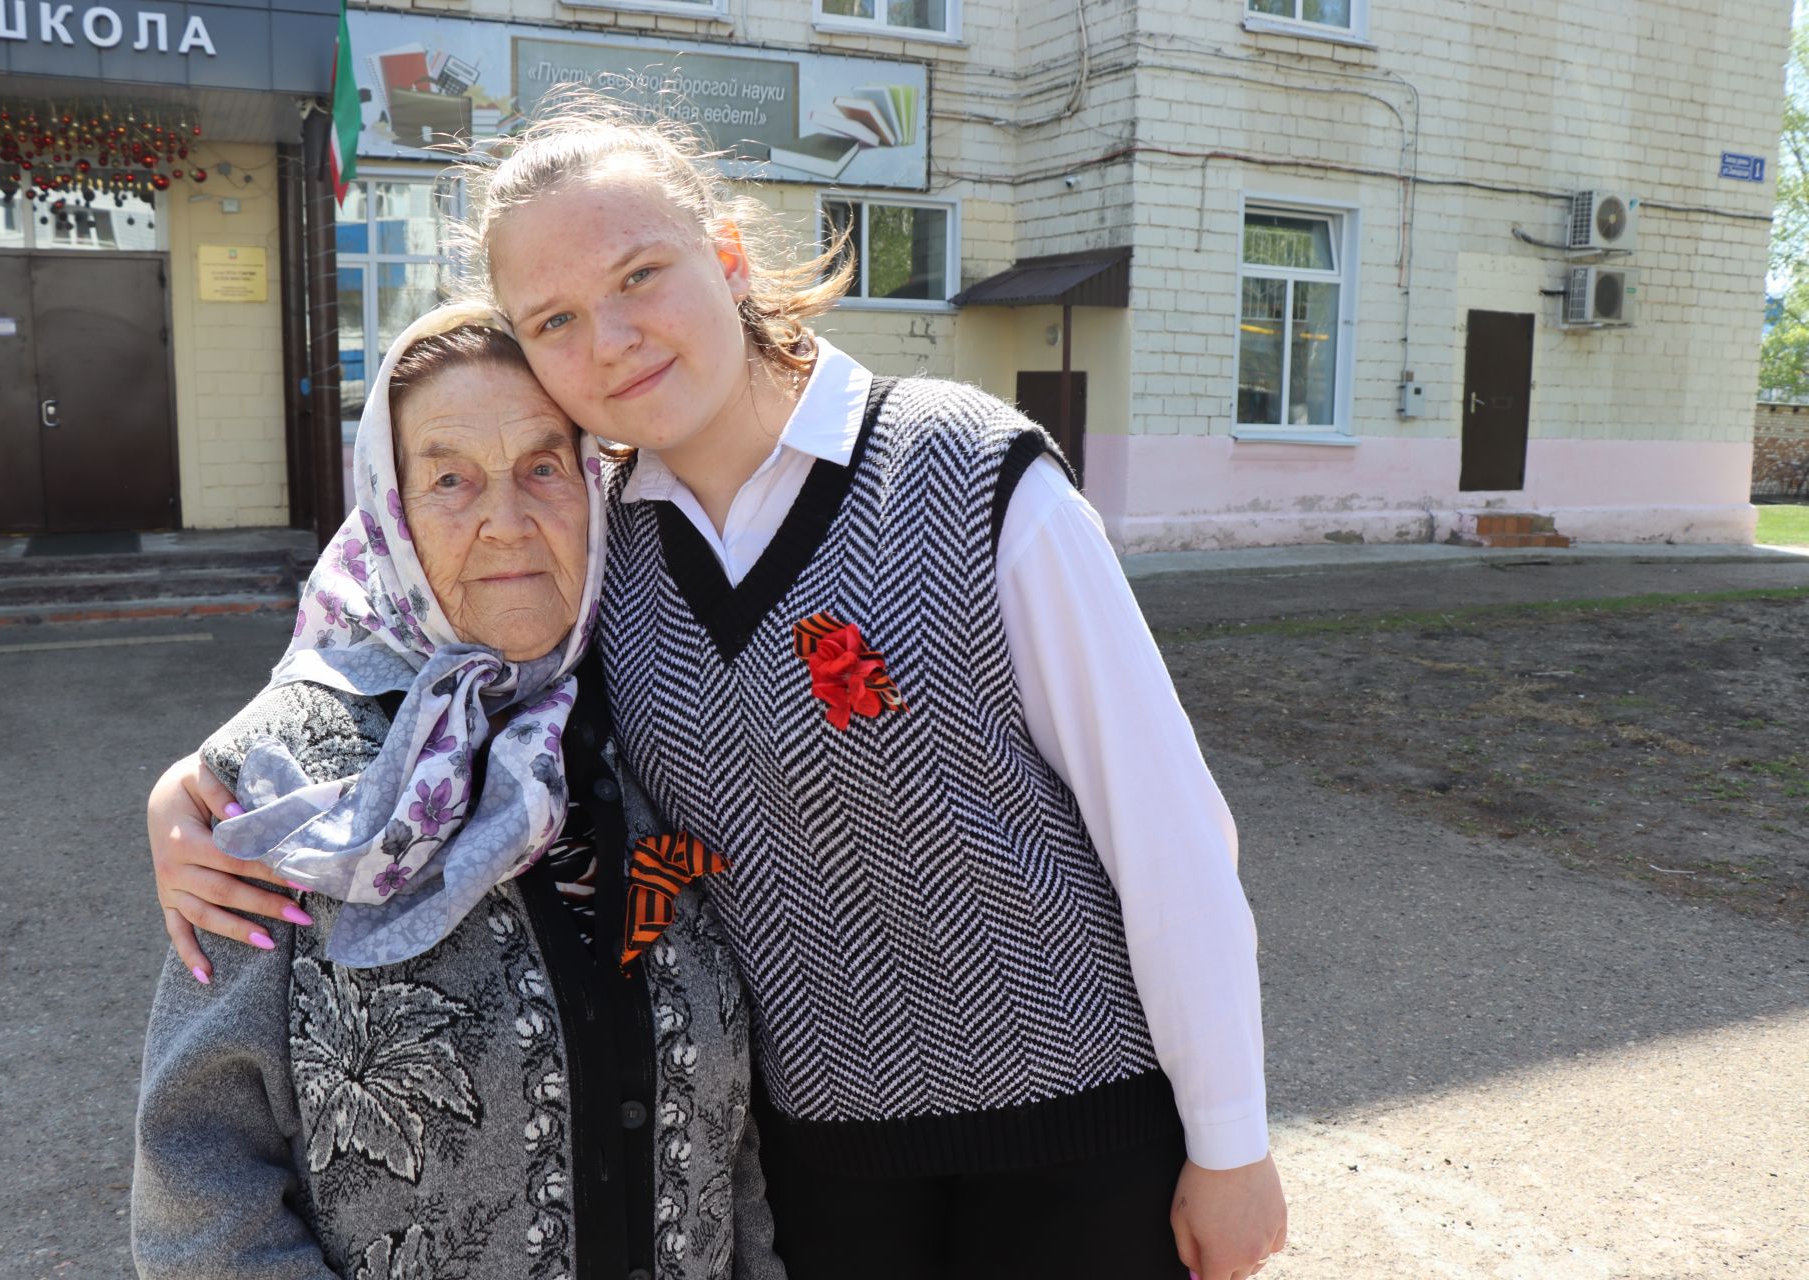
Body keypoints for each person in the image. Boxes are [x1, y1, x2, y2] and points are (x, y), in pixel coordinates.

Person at [148, 92, 1286, 1280]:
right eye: (557, 317)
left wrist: (1231, 1140)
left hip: (1077, 1138)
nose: (613, 337)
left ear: (728, 256)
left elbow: (1171, 834)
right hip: (824, 1170)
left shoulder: (965, 472)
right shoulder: (600, 559)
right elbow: (388, 636)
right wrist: (198, 783)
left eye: (642, 274)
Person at [132, 305, 783, 1280]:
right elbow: (200, 1176)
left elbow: (737, 1135)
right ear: (390, 512)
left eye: (543, 466)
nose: (506, 520)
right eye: (449, 478)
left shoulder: (657, 720)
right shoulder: (290, 768)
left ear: (594, 489)